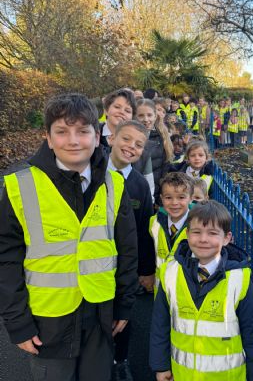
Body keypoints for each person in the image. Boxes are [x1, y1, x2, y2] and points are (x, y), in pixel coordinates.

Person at [0, 93, 138, 381]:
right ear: (48, 138)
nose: (73, 141)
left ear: (97, 136)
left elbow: (127, 249)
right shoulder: (19, 186)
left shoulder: (114, 185)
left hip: (101, 315)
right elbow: (6, 259)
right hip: (47, 322)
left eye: (83, 131)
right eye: (62, 131)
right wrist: (18, 322)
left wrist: (124, 304)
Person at [149, 201, 253, 381]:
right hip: (182, 375)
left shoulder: (239, 279)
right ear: (187, 234)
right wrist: (161, 366)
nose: (203, 239)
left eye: (212, 233)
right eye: (196, 232)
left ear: (227, 238)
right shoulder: (171, 272)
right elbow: (160, 324)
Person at [107, 120, 155, 379]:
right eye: (126, 139)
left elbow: (145, 230)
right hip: (94, 259)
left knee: (123, 312)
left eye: (138, 144)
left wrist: (146, 270)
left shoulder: (139, 185)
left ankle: (120, 359)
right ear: (111, 138)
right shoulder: (91, 173)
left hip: (125, 264)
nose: (130, 147)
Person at [149, 172, 194, 293]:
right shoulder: (154, 222)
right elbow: (149, 250)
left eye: (181, 197)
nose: (174, 203)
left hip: (186, 291)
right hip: (160, 289)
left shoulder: (199, 226)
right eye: (168, 197)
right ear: (161, 198)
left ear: (191, 198)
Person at [135, 98, 173, 206]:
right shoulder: (130, 137)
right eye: (141, 115)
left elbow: (165, 167)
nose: (146, 119)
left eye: (149, 115)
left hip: (155, 194)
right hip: (136, 192)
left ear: (155, 116)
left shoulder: (162, 137)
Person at [99, 88, 136, 153]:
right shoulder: (93, 133)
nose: (122, 112)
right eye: (117, 107)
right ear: (106, 110)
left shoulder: (135, 142)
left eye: (127, 111)